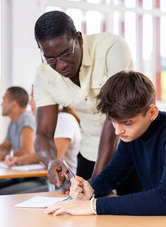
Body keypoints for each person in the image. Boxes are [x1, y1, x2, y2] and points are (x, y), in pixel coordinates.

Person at [43, 71, 166, 224]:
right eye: (113, 122)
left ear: (152, 112)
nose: (118, 131)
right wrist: (90, 189)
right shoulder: (133, 134)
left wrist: (93, 206)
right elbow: (111, 176)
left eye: (127, 123)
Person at [33, 11, 142, 195]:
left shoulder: (112, 48)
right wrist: (51, 160)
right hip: (91, 150)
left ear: (79, 39)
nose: (60, 65)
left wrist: (97, 181)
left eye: (66, 54)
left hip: (134, 149)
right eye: (50, 59)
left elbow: (114, 116)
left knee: (138, 218)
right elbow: (43, 133)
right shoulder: (44, 75)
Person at [0, 86, 44, 196]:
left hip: (34, 178)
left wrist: (3, 155)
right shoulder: (13, 122)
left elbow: (26, 151)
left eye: (4, 100)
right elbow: (5, 146)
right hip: (20, 176)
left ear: (13, 104)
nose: (1, 104)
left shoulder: (26, 118)